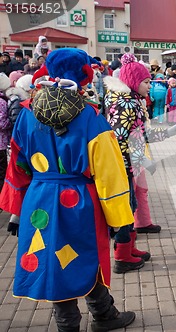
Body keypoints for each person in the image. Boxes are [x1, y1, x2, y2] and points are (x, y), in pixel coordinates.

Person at [0, 48, 136, 332]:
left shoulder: (27, 114)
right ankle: (82, 321)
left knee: (54, 258)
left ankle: (101, 314)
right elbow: (109, 174)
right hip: (79, 202)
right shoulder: (90, 118)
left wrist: (15, 211)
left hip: (39, 198)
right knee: (82, 254)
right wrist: (120, 218)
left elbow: (18, 165)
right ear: (83, 73)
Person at [104, 54, 176, 270]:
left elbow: (140, 134)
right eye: (146, 82)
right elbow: (120, 138)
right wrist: (134, 161)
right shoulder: (126, 105)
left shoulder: (131, 101)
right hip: (123, 165)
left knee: (131, 205)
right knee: (125, 207)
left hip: (130, 163)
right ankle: (122, 256)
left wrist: (170, 132)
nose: (150, 86)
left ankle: (129, 248)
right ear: (133, 82)